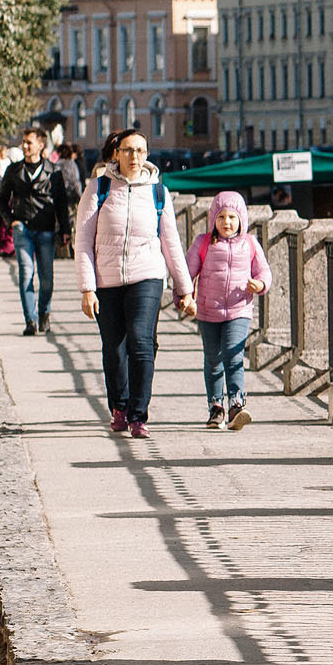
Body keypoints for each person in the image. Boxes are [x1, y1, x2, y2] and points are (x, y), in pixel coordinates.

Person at [73, 129, 192, 439]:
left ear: (147, 154)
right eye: (128, 150)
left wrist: (185, 288)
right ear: (117, 154)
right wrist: (87, 288)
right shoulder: (98, 189)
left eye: (140, 150)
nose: (134, 157)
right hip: (107, 281)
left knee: (141, 341)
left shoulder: (157, 193)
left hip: (147, 276)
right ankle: (120, 407)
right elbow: (83, 240)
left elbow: (171, 243)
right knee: (114, 349)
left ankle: (139, 415)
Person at [185, 191, 270, 430]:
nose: (227, 222)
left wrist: (260, 284)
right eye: (221, 217)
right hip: (208, 311)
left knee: (233, 355)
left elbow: (264, 271)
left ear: (241, 219)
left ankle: (236, 404)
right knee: (213, 359)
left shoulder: (250, 244)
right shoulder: (203, 243)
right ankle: (216, 407)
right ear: (213, 219)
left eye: (232, 217)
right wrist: (184, 297)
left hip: (238, 310)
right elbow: (187, 273)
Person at [0, 126, 79, 335]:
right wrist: (10, 220)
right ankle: (30, 321)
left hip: (46, 229)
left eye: (28, 142)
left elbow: (61, 203)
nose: (24, 145)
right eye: (23, 142)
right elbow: (1, 200)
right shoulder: (13, 171)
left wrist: (65, 230)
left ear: (41, 145)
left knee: (47, 277)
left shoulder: (54, 172)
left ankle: (44, 314)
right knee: (25, 274)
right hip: (22, 228)